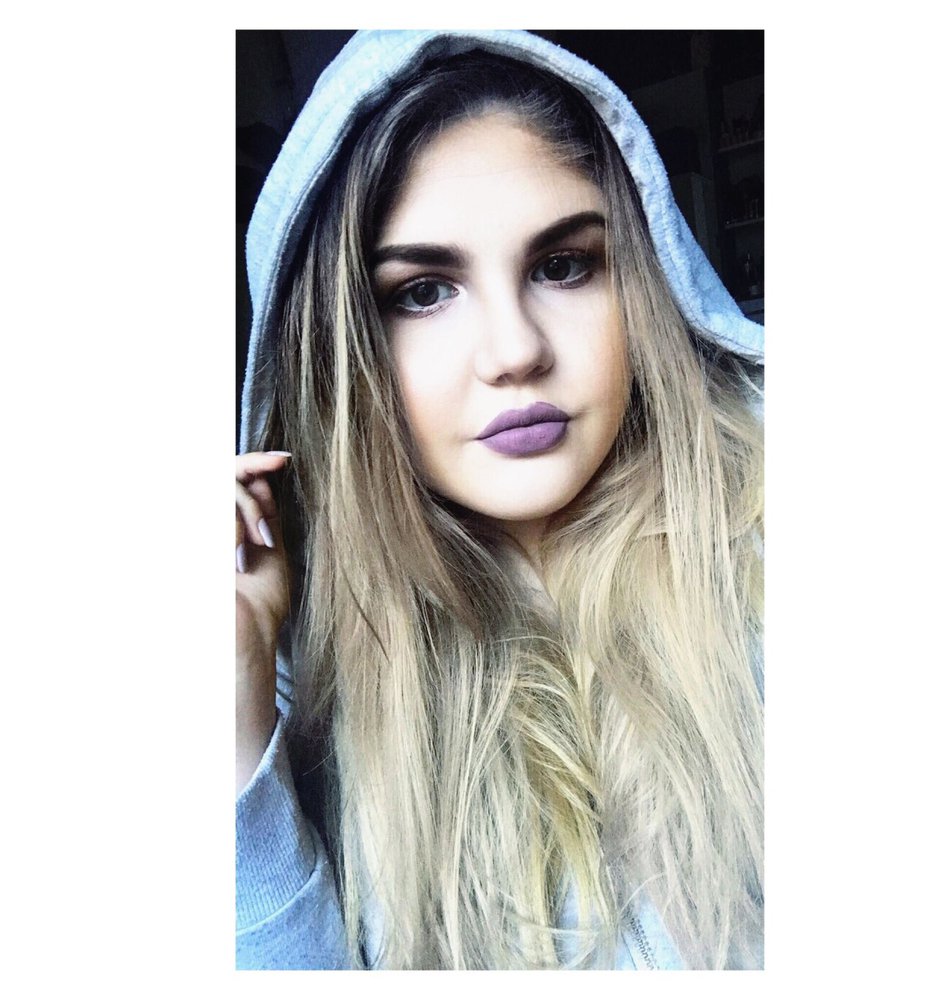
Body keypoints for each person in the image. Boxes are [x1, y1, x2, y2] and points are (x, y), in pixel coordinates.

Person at [236, 29, 764, 971]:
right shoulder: (298, 670)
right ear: (340, 348)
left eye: (563, 266)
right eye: (423, 292)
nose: (516, 350)